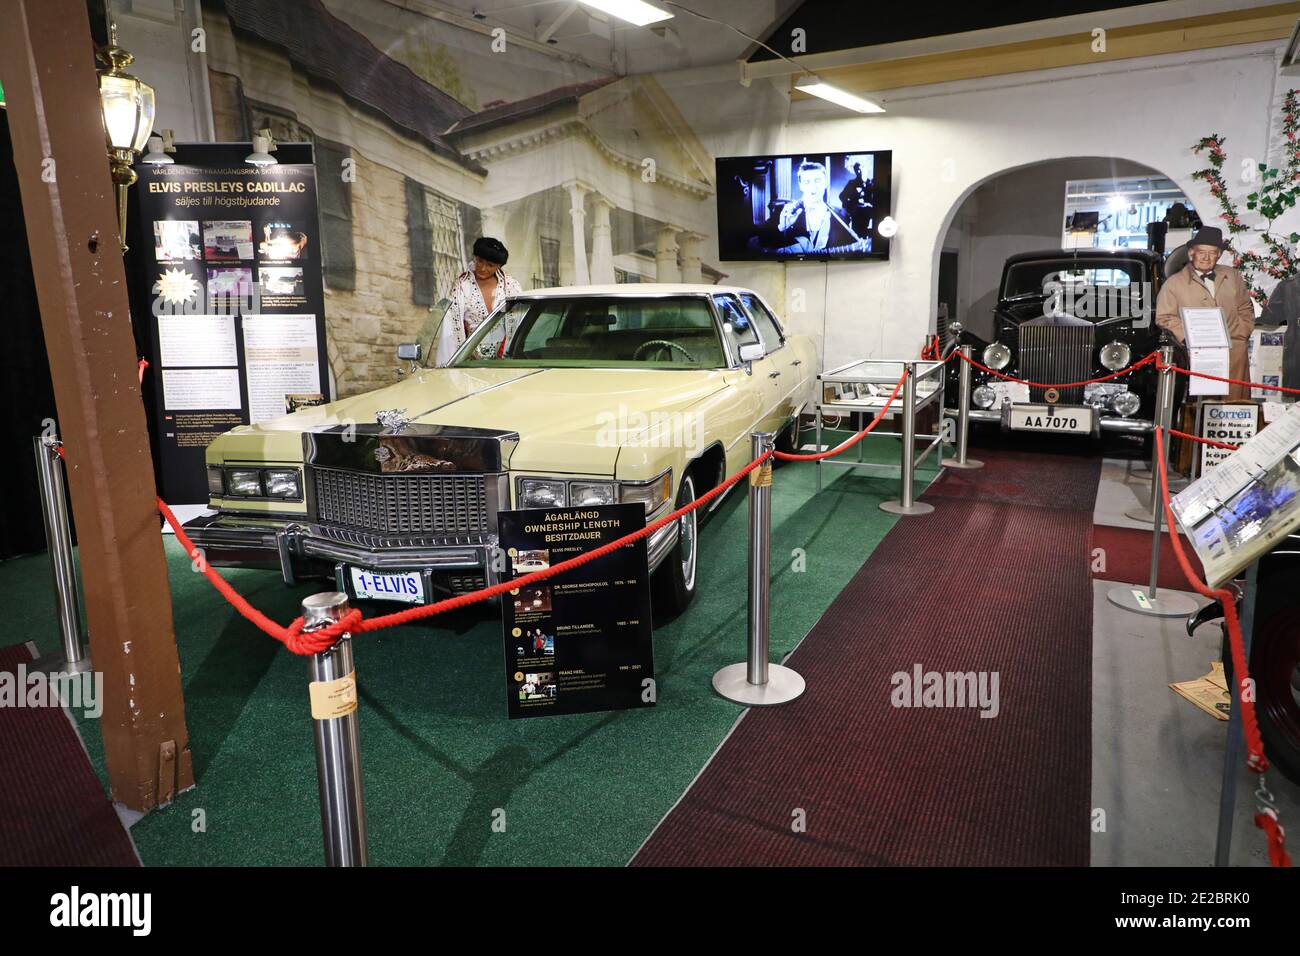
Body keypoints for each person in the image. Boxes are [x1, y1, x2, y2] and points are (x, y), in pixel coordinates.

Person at [1155, 226, 1256, 400]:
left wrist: (1241, 332)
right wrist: (1190, 337)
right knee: (1201, 408)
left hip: (1234, 353)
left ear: (1219, 255)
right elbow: (1165, 318)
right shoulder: (1174, 283)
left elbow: (1245, 307)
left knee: (1235, 406)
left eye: (1212, 253)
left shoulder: (1233, 276)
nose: (1206, 257)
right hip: (1196, 354)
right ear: (1191, 253)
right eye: (1201, 252)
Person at [435, 236, 522, 366]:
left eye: (490, 265)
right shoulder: (461, 287)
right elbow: (451, 329)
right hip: (471, 361)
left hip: (506, 360)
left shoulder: (511, 287)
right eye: (480, 261)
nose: (482, 268)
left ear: (499, 266)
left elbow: (521, 321)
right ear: (475, 257)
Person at [754, 161, 865, 254]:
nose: (813, 187)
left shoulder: (839, 216)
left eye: (817, 181)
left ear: (825, 183)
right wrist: (782, 227)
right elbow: (760, 241)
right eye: (807, 182)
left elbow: (849, 251)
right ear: (801, 185)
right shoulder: (784, 210)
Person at [837, 161, 874, 238]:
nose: (859, 171)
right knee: (857, 236)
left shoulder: (872, 183)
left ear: (866, 169)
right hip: (857, 215)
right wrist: (849, 208)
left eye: (862, 168)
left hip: (870, 215)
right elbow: (842, 196)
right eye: (857, 170)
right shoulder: (852, 183)